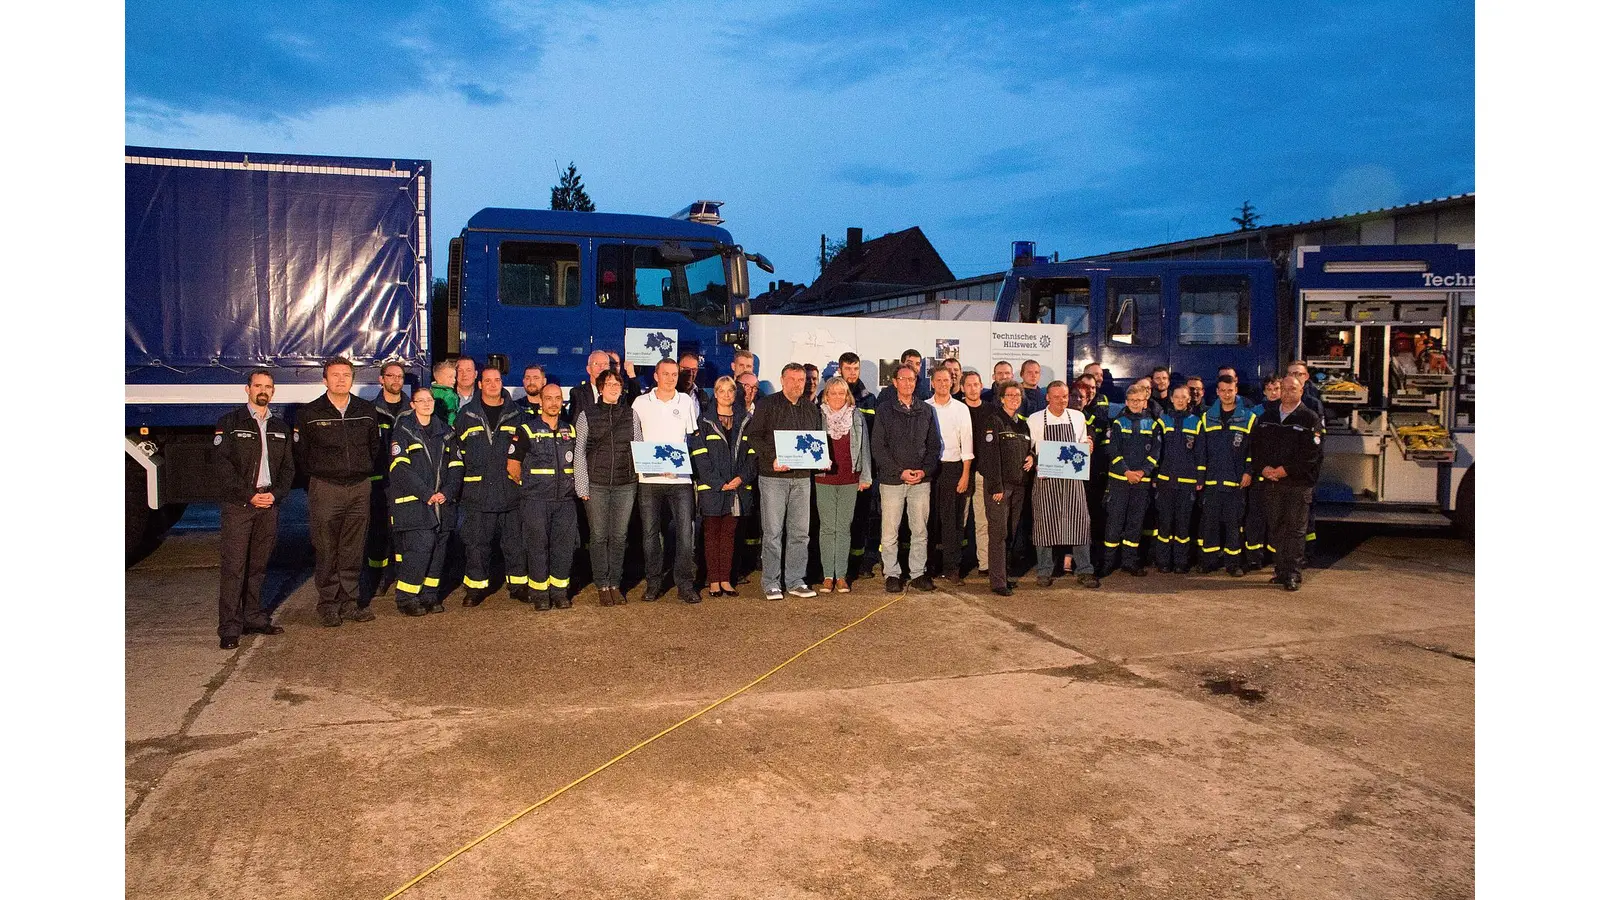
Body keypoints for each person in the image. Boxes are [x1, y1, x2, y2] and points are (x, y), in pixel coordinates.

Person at [295, 357, 384, 627]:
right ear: (325, 380)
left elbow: (374, 448)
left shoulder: (366, 410)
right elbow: (301, 454)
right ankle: (328, 603)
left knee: (353, 548)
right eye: (335, 375)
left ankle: (350, 602)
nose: (341, 379)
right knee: (325, 547)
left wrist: (361, 471)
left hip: (359, 487)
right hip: (326, 488)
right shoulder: (310, 414)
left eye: (346, 375)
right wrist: (323, 475)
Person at [213, 369, 294, 649]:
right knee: (234, 567)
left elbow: (288, 470)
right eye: (258, 385)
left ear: (273, 391)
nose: (263, 390)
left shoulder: (280, 427)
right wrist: (249, 496)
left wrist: (275, 495)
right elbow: (223, 468)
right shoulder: (231, 423)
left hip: (268, 504)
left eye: (268, 386)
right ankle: (229, 627)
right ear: (247, 389)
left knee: (259, 566)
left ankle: (254, 618)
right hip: (240, 506)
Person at [746, 362, 825, 600]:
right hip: (774, 478)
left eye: (801, 380)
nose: (798, 384)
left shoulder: (811, 409)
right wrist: (772, 459)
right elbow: (754, 437)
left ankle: (795, 580)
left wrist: (820, 459)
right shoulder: (767, 405)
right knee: (772, 532)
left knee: (800, 532)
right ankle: (771, 581)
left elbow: (814, 441)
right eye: (792, 379)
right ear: (782, 380)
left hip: (802, 478)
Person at [455, 363, 528, 606]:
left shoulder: (517, 414)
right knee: (477, 544)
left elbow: (524, 453)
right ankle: (475, 589)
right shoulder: (466, 416)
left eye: (497, 380)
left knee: (515, 542)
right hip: (478, 491)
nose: (493, 384)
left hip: (510, 491)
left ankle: (518, 585)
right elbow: (458, 454)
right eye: (488, 381)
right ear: (480, 384)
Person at [387, 389, 461, 615]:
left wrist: (446, 492)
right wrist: (426, 492)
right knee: (420, 549)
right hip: (415, 503)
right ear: (413, 404)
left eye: (430, 400)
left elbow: (456, 466)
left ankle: (430, 596)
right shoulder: (404, 432)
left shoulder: (447, 432)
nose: (427, 404)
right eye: (422, 400)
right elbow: (400, 468)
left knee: (438, 550)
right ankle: (407, 598)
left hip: (442, 503)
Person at [634, 358, 701, 603]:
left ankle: (685, 583)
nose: (671, 378)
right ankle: (654, 582)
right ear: (656, 376)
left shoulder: (685, 401)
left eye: (674, 374)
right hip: (649, 479)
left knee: (685, 533)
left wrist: (681, 465)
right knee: (650, 533)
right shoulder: (641, 402)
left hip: (680, 479)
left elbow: (691, 437)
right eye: (666, 374)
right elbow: (635, 438)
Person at [871, 363, 942, 593]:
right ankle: (891, 573)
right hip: (892, 481)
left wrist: (924, 471)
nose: (908, 383)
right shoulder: (884, 410)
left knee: (920, 530)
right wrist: (898, 471)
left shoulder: (926, 410)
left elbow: (933, 446)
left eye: (912, 380)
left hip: (920, 482)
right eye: (903, 379)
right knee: (890, 531)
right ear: (895, 382)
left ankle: (918, 573)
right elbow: (878, 448)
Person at [508, 383, 579, 611]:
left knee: (563, 547)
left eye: (557, 398)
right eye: (549, 398)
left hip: (565, 501)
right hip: (536, 501)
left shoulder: (571, 430)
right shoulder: (526, 430)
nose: (553, 403)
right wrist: (530, 487)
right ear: (540, 401)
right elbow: (513, 466)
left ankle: (559, 592)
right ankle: (540, 593)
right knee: (537, 547)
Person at [1251, 375, 1324, 592]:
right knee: (1277, 528)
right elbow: (1255, 447)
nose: (1287, 392)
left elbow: (1312, 454)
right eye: (1284, 388)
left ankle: (1292, 573)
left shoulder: (1310, 419)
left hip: (1297, 484)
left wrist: (1285, 471)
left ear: (1302, 391)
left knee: (1295, 530)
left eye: (1293, 389)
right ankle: (1280, 570)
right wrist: (1263, 468)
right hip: (1272, 483)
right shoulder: (1266, 417)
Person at [1027, 381, 1099, 588]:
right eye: (1056, 396)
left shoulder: (1077, 417)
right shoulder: (1036, 419)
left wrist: (1088, 445)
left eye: (1065, 396)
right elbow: (1030, 448)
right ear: (1047, 397)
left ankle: (1085, 570)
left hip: (1072, 478)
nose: (1062, 400)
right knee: (1044, 523)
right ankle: (1044, 570)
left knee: (1079, 522)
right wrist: (1033, 460)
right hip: (1046, 478)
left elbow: (1082, 443)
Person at [574, 370, 636, 605]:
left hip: (625, 483)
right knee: (599, 536)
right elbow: (579, 452)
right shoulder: (586, 415)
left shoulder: (631, 414)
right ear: (600, 389)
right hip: (596, 483)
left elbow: (638, 446)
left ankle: (615, 583)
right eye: (608, 384)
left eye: (617, 384)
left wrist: (638, 478)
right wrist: (582, 485)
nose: (613, 387)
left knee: (619, 536)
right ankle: (602, 584)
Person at [690, 376, 756, 597]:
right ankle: (713, 581)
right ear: (715, 393)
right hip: (713, 489)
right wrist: (719, 483)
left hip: (737, 487)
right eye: (722, 391)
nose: (727, 395)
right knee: (711, 535)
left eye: (731, 391)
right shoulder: (704, 422)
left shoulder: (745, 420)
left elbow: (752, 456)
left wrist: (740, 479)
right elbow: (700, 457)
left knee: (729, 535)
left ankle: (726, 579)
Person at [812, 376, 873, 593]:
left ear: (847, 395)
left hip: (850, 479)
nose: (837, 397)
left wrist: (865, 476)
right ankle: (828, 575)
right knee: (828, 528)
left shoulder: (856, 416)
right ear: (826, 396)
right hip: (824, 478)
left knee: (844, 527)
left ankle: (841, 576)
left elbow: (864, 447)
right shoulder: (818, 415)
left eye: (841, 393)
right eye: (833, 393)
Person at [973, 380, 1034, 596]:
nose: (1014, 399)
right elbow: (990, 457)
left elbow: (1028, 448)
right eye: (1010, 395)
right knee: (998, 533)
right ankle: (998, 582)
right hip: (1001, 487)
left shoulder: (1023, 424)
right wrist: (996, 485)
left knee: (1011, 532)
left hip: (1019, 487)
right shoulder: (994, 421)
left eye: (1018, 396)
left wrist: (1032, 457)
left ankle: (1004, 576)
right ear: (1001, 398)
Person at [1100, 382, 1161, 577]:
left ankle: (1130, 561)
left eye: (1139, 400)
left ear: (1145, 402)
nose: (1135, 404)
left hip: (1141, 482)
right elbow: (1113, 451)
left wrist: (1143, 472)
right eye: (1132, 400)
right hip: (1120, 480)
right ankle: (1109, 562)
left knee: (1135, 522)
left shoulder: (1153, 424)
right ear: (1126, 402)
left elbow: (1156, 453)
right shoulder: (1119, 423)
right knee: (1115, 522)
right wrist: (1126, 472)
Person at [1197, 374, 1256, 576]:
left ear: (1236, 390)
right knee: (1210, 523)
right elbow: (1201, 450)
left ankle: (1233, 564)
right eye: (1222, 390)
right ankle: (1209, 561)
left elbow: (1253, 450)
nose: (1226, 394)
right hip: (1212, 480)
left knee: (1234, 525)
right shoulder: (1207, 417)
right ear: (1217, 392)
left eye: (1230, 390)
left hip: (1236, 480)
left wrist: (1248, 471)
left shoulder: (1248, 418)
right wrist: (1201, 476)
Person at [361, 361, 409, 603]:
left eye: (400, 376)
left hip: (406, 482)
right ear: (381, 379)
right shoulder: (370, 411)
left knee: (403, 532)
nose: (396, 380)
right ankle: (377, 577)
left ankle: (403, 576)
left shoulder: (412, 410)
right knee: (378, 532)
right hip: (379, 482)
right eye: (391, 376)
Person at [926, 368, 974, 584]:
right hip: (929, 468)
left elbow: (967, 443)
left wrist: (965, 475)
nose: (943, 384)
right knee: (929, 519)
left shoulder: (961, 409)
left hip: (954, 468)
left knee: (952, 521)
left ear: (952, 383)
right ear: (932, 383)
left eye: (947, 380)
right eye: (939, 380)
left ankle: (952, 568)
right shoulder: (925, 407)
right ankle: (929, 566)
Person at [1153, 381, 1204, 574]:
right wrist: (1156, 475)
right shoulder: (1162, 420)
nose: (1180, 400)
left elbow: (1200, 452)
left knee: (1183, 524)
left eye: (1184, 397)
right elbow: (1157, 452)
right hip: (1165, 480)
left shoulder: (1196, 422)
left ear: (1189, 399)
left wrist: (1200, 477)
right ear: (1171, 399)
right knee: (1165, 523)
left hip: (1187, 482)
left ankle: (1181, 562)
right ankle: (1163, 561)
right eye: (1177, 397)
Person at [1243, 374, 1282, 570]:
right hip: (1260, 472)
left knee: (1277, 518)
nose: (1274, 393)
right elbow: (1251, 445)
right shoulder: (1255, 413)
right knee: (1255, 517)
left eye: (1277, 389)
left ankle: (1276, 558)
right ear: (1264, 391)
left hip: (1280, 475)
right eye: (1270, 389)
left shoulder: (1288, 412)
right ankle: (1254, 558)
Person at [960, 371, 995, 575]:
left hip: (983, 473)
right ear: (963, 388)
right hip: (962, 472)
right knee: (960, 521)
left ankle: (985, 564)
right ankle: (956, 564)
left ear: (982, 386)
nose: (973, 389)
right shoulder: (957, 409)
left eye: (976, 384)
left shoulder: (992, 410)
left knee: (983, 521)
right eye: (969, 385)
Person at [568, 350, 617, 422]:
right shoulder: (578, 393)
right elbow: (576, 421)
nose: (601, 368)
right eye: (596, 364)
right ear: (588, 369)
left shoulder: (616, 392)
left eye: (605, 364)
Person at [430, 359, 461, 426]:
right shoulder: (449, 395)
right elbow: (451, 413)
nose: (454, 380)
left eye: (454, 377)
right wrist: (452, 426)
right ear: (439, 378)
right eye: (450, 377)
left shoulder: (430, 391)